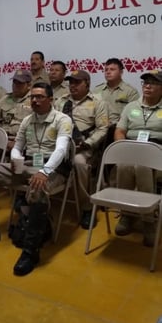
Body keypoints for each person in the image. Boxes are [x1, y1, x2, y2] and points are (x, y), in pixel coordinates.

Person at [0, 83, 72, 277]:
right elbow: (17, 145)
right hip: (28, 163)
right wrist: (15, 158)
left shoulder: (62, 120)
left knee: (37, 188)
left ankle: (31, 251)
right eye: (33, 97)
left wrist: (45, 171)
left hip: (52, 167)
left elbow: (61, 149)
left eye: (40, 97)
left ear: (51, 100)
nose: (35, 100)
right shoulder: (27, 120)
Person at [114, 70, 162, 246]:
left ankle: (148, 220)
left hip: (157, 151)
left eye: (153, 83)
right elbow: (119, 131)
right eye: (145, 82)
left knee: (142, 167)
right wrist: (123, 147)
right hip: (132, 147)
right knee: (123, 165)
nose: (148, 86)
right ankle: (126, 214)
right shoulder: (131, 106)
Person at [57, 70, 109, 229]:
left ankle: (87, 207)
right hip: (60, 144)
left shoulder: (98, 102)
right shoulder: (60, 101)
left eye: (77, 82)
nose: (72, 85)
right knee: (36, 155)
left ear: (87, 83)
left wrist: (88, 143)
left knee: (79, 163)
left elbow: (103, 128)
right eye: (70, 82)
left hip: (84, 146)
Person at [0, 69, 32, 154]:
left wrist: (20, 143)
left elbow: (35, 127)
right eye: (14, 82)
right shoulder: (6, 98)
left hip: (21, 140)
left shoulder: (34, 100)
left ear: (29, 85)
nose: (15, 85)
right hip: (2, 138)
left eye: (20, 83)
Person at [93, 58, 139, 125]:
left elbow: (135, 113)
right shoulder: (97, 90)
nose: (108, 72)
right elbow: (91, 110)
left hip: (120, 127)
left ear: (121, 72)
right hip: (99, 126)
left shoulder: (130, 91)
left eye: (112, 69)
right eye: (106, 70)